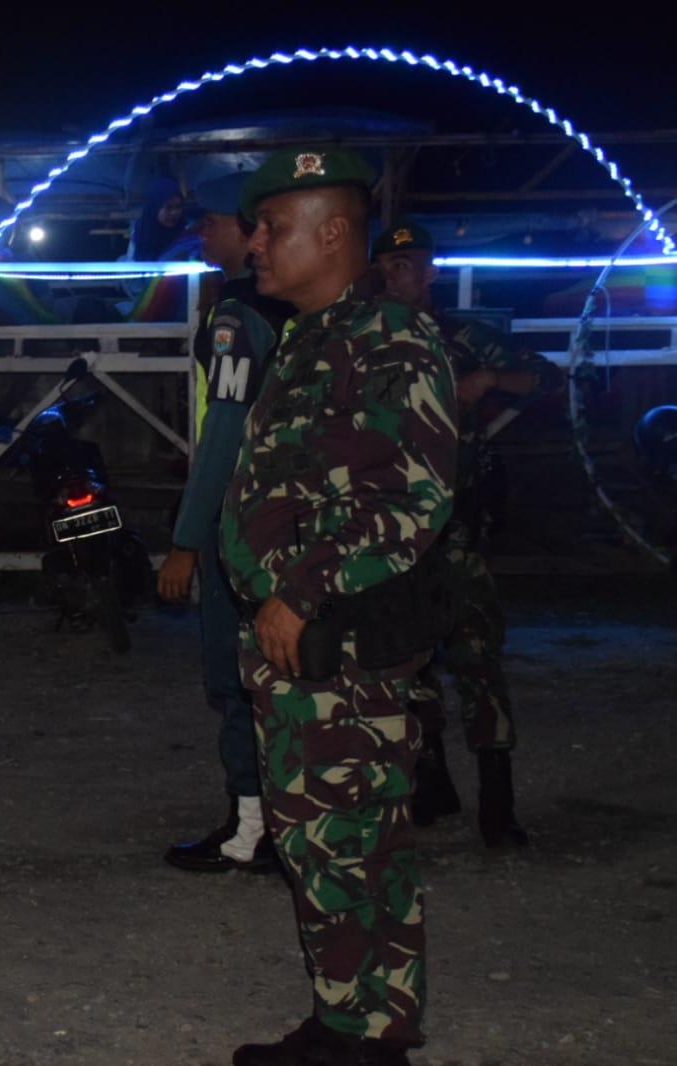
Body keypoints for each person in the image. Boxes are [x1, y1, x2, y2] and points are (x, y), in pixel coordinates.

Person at [220, 147, 457, 1066]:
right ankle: (354, 1019)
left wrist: (299, 591)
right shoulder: (311, 337)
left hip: (339, 638)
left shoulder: (389, 339)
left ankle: (364, 1039)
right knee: (329, 839)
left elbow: (415, 496)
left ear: (333, 232)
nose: (255, 243)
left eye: (272, 226)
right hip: (300, 641)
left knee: (346, 839)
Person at [373, 220, 562, 847]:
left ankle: (497, 798)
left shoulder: (464, 336)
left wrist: (488, 381)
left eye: (410, 264)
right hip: (392, 527)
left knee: (477, 656)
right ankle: (431, 777)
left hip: (456, 524)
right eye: (390, 265)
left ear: (430, 272)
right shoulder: (368, 339)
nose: (399, 274)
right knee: (408, 657)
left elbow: (546, 376)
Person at [158, 171, 293, 874]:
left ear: (249, 230)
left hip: (239, 522)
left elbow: (224, 431)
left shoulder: (240, 313)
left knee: (237, 677)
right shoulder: (315, 309)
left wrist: (187, 537)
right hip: (297, 517)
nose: (201, 235)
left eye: (211, 223)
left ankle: (251, 829)